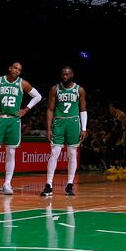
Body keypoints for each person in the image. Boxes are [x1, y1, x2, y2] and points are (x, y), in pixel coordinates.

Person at [0, 62, 42, 195]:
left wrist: (26, 109)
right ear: (10, 68)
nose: (17, 71)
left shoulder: (23, 83)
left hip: (14, 120)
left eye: (19, 69)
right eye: (15, 68)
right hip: (0, 118)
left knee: (11, 153)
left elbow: (38, 96)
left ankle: (7, 183)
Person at [41, 66, 87, 197]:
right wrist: (49, 128)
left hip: (73, 122)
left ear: (72, 74)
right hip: (59, 122)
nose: (65, 76)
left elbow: (83, 110)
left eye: (67, 74)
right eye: (63, 74)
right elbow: (50, 109)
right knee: (54, 152)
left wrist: (84, 128)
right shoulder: (55, 89)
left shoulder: (80, 90)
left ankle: (70, 184)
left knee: (72, 153)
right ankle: (49, 185)